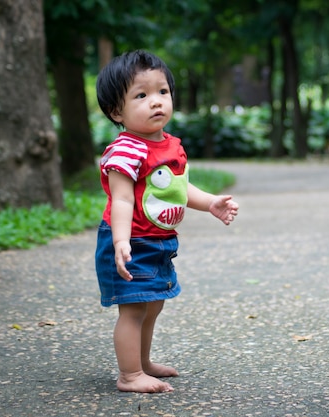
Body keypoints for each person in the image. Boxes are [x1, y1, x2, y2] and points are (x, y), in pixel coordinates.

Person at [94, 50, 239, 393]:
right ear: (117, 111)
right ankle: (129, 375)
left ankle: (142, 363)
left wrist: (210, 203)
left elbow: (179, 188)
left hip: (159, 240)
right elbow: (123, 199)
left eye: (162, 92)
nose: (156, 102)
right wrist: (120, 240)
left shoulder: (171, 145)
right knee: (133, 309)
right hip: (131, 242)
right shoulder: (126, 151)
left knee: (153, 304)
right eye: (141, 95)